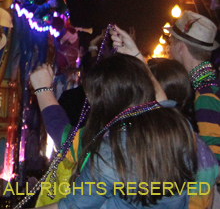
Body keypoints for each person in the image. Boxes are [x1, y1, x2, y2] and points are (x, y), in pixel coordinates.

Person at [34, 53, 198, 209]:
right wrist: (137, 56)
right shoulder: (178, 125)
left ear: (105, 101)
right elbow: (161, 101)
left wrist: (42, 89)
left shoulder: (113, 149)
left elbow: (72, 206)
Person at [115, 13, 220, 165]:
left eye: (171, 42)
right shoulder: (209, 83)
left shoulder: (206, 94)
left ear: (181, 47)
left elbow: (212, 160)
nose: (168, 48)